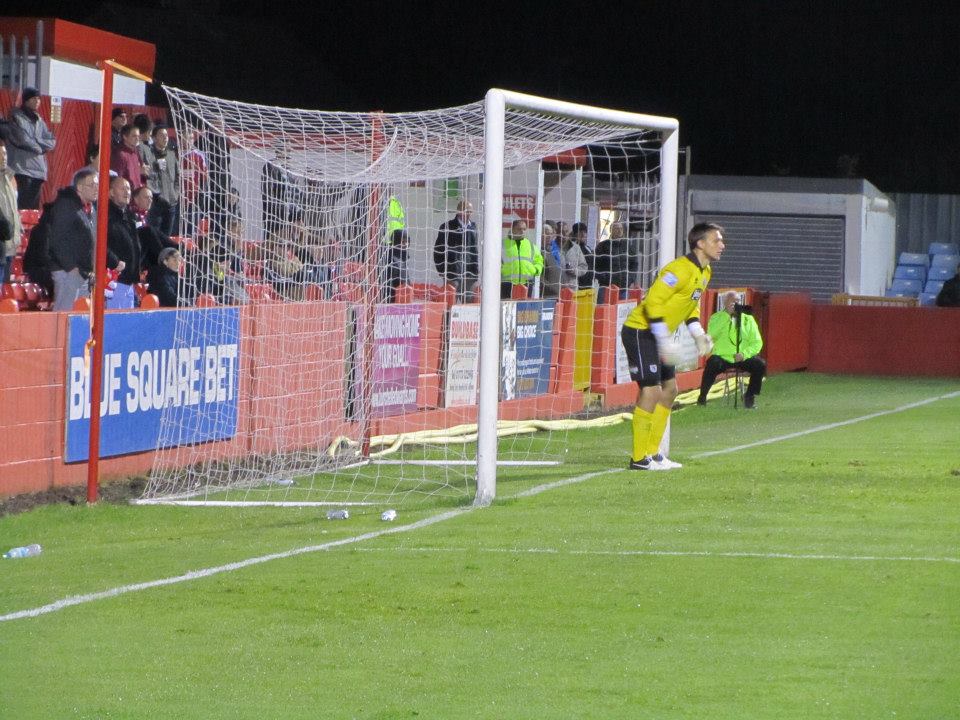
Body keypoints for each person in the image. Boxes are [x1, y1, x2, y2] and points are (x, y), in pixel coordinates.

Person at [620, 222, 725, 470]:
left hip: (659, 335)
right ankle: (639, 459)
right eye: (716, 240)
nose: (722, 245)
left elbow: (691, 304)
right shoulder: (678, 269)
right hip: (642, 331)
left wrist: (698, 333)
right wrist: (663, 338)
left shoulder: (705, 272)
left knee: (669, 390)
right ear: (700, 243)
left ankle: (653, 453)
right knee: (652, 390)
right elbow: (652, 303)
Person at [697, 290, 767, 408]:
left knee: (760, 364)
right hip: (723, 357)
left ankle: (750, 396)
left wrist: (744, 354)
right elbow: (711, 335)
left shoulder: (748, 319)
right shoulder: (716, 317)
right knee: (712, 364)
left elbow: (757, 342)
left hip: (742, 357)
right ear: (725, 302)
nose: (735, 304)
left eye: (738, 301)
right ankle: (702, 397)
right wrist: (727, 316)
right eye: (732, 301)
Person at [47, 170, 100, 310]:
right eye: (92, 185)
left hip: (84, 272)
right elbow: (57, 239)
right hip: (68, 272)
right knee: (64, 314)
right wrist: (71, 267)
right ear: (80, 187)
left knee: (80, 314)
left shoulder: (90, 209)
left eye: (97, 185)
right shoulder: (66, 205)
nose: (96, 189)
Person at [5, 87, 56, 209]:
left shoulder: (39, 120)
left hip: (38, 171)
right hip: (21, 169)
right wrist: (40, 147)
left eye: (39, 99)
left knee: (33, 210)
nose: (37, 101)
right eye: (34, 98)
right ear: (26, 100)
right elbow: (22, 139)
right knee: (21, 207)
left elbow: (52, 141)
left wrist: (37, 140)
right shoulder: (16, 117)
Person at [105, 177, 141, 309]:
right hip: (113, 281)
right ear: (111, 192)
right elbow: (99, 245)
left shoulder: (130, 216)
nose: (127, 192)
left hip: (129, 281)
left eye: (129, 188)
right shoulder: (105, 215)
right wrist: (115, 262)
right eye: (122, 188)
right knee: (114, 319)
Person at [434, 199, 479, 301]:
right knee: (451, 304)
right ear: (459, 211)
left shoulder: (473, 227)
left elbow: (474, 251)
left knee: (470, 305)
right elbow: (438, 249)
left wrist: (475, 270)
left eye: (470, 211)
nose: (469, 214)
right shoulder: (447, 226)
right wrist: (441, 269)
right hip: (453, 273)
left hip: (470, 273)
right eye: (466, 211)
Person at [144, 125, 180, 237]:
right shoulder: (149, 154)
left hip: (171, 203)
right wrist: (156, 194)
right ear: (154, 138)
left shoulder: (171, 155)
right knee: (154, 235)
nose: (165, 138)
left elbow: (178, 177)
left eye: (166, 135)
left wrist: (175, 194)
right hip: (156, 203)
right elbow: (147, 177)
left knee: (167, 236)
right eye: (161, 135)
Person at [500, 219, 543, 299]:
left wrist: (536, 270)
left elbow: (539, 260)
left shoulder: (530, 245)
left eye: (524, 229)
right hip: (507, 283)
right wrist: (501, 270)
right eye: (519, 229)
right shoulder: (502, 244)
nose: (522, 231)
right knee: (506, 305)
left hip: (527, 282)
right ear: (512, 229)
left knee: (524, 306)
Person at [0, 139, 22, 283]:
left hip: (9, 247)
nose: (3, 157)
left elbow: (14, 210)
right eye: (0, 154)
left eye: (5, 154)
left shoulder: (10, 177)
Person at [111, 124, 144, 191]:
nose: (137, 139)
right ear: (125, 137)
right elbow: (117, 178)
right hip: (126, 192)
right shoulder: (120, 154)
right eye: (134, 136)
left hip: (137, 192)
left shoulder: (136, 152)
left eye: (138, 136)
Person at [559, 224, 587, 291]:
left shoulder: (576, 248)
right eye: (561, 232)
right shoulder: (550, 248)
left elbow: (584, 267)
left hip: (572, 289)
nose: (564, 234)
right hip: (553, 290)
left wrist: (574, 270)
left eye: (566, 231)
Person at [570, 222, 595, 289]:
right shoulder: (571, 247)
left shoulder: (588, 248)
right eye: (580, 232)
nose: (583, 234)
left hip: (589, 285)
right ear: (575, 234)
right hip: (576, 286)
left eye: (585, 232)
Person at [540, 222, 561, 298]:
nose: (549, 236)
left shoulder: (551, 251)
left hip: (556, 294)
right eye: (546, 234)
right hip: (546, 295)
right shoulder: (538, 252)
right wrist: (553, 289)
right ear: (540, 234)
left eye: (551, 234)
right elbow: (539, 277)